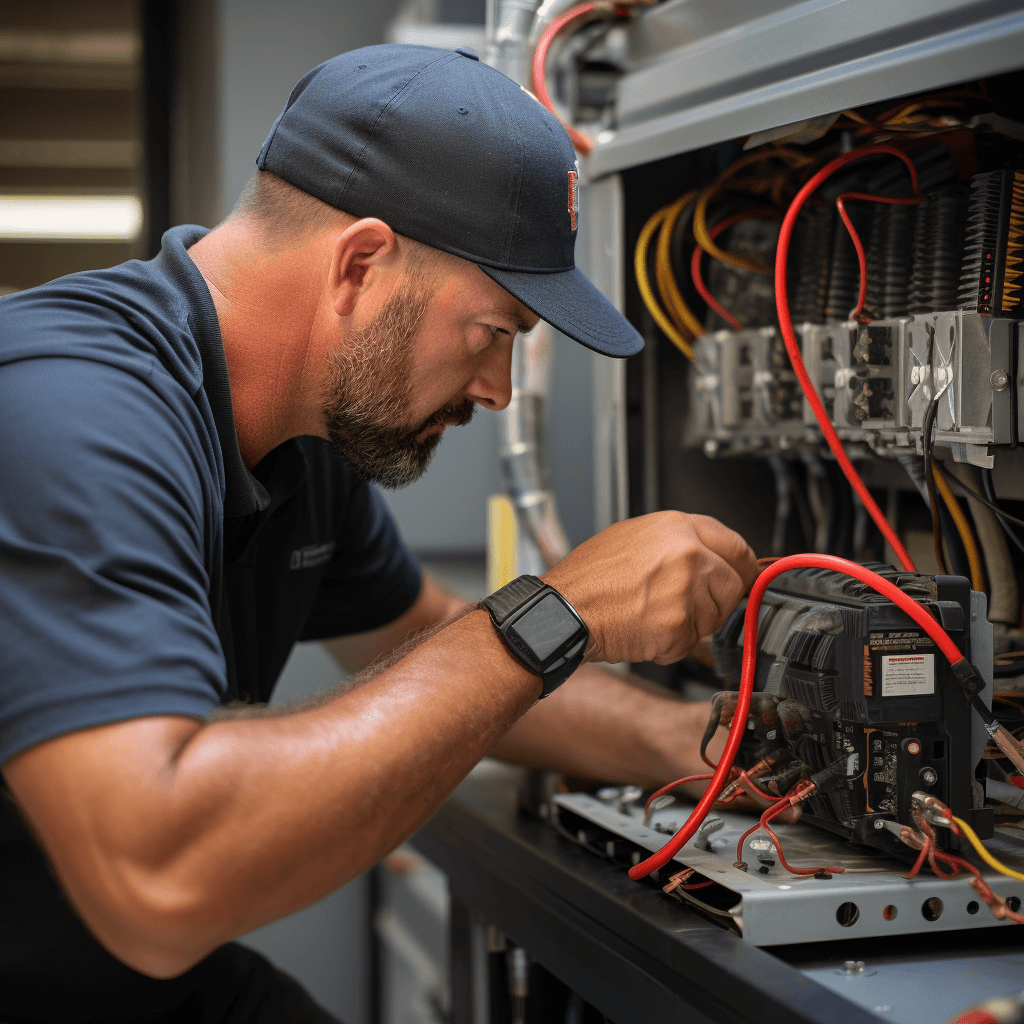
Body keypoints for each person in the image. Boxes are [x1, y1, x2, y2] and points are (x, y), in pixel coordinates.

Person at [0, 44, 757, 1023]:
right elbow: (160, 876)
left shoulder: (304, 449)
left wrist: (710, 745)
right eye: (495, 332)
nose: (494, 391)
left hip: (125, 981)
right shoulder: (67, 409)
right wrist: (554, 611)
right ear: (359, 264)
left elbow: (425, 644)